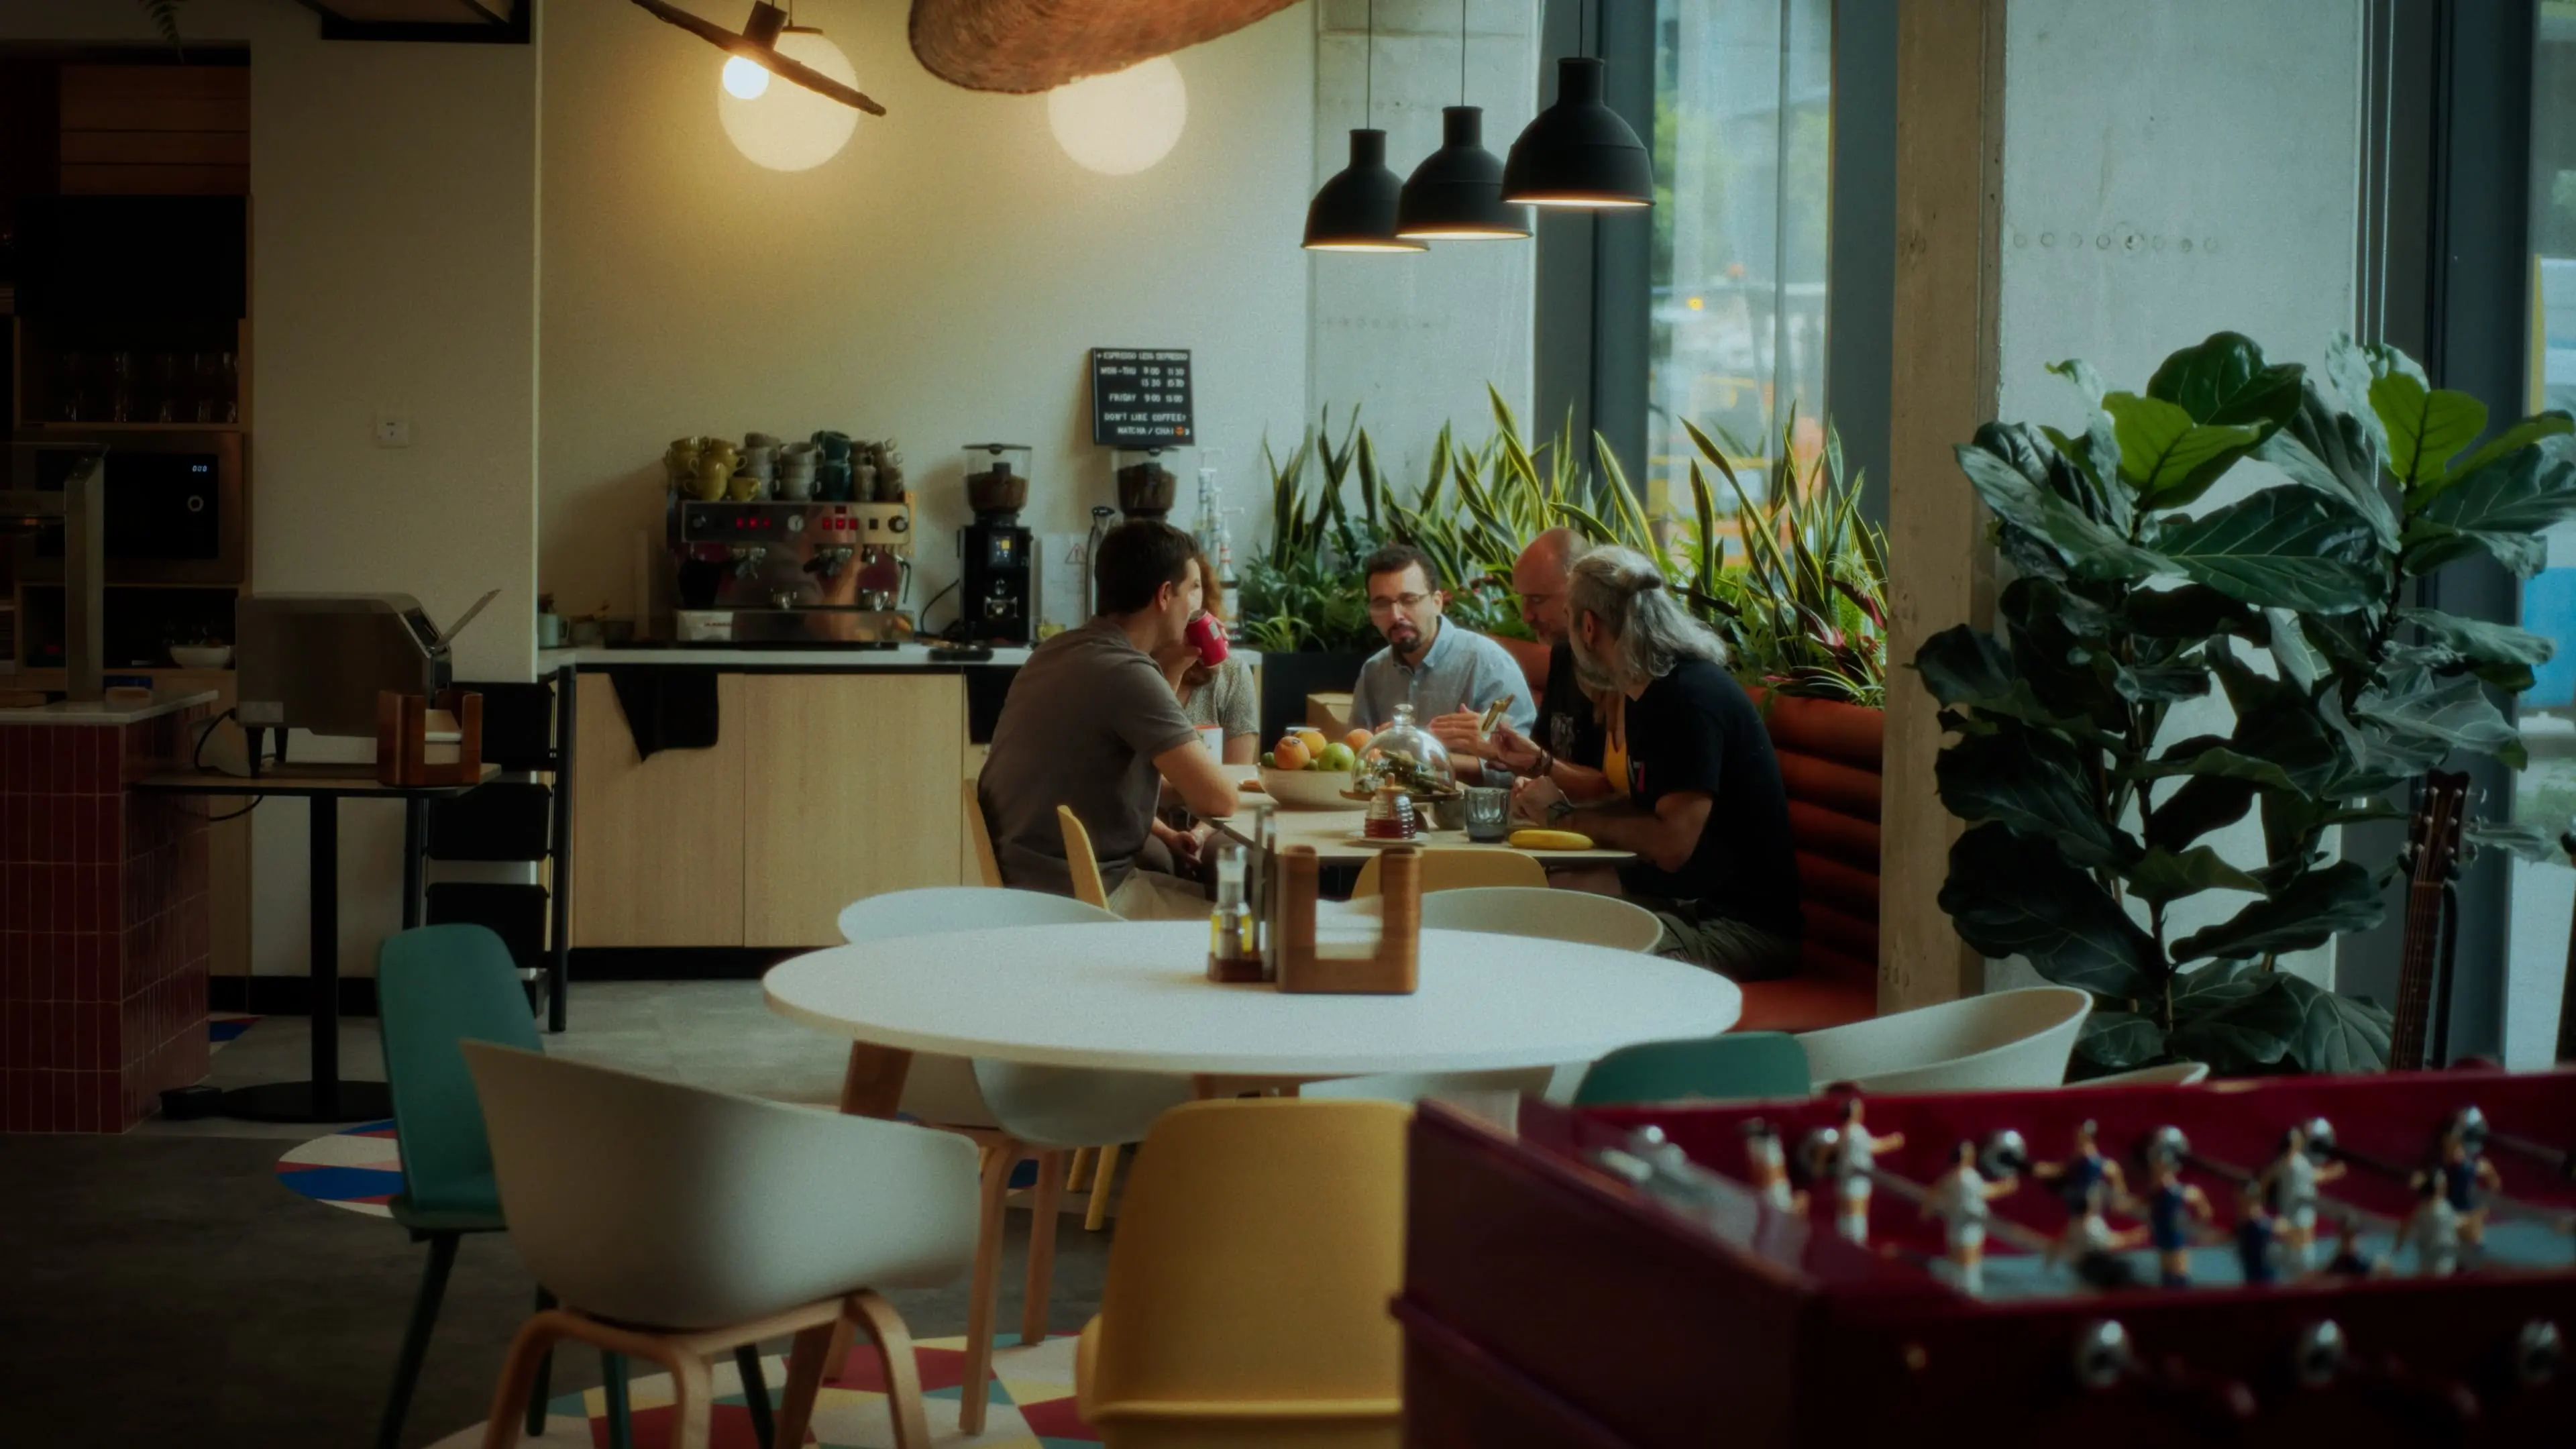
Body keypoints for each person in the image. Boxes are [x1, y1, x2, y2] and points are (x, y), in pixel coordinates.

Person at [1505, 547, 1803, 981]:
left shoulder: (1691, 699)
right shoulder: (1647, 687)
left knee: (1569, 963)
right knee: (1534, 902)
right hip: (1684, 900)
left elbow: (1671, 844)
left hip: (1740, 928)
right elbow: (1641, 812)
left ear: (1588, 628)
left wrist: (1564, 818)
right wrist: (1558, 812)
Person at [978, 520, 1238, 920]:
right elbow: (1220, 798)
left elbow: (1130, 764)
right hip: (1081, 897)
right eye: (1192, 591)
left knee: (1211, 894)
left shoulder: (1060, 650)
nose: (1197, 608)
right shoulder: (1126, 672)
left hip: (1033, 882)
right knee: (1252, 931)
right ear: (1165, 595)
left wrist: (1174, 667)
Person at [1430, 528, 1618, 799]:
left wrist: (1515, 755)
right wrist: (1496, 748)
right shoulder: (1564, 656)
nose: (1526, 615)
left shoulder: (1619, 674)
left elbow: (1611, 791)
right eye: (1523, 598)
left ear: (1580, 591)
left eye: (1538, 600)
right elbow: (1541, 763)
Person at [1345, 544, 1535, 774]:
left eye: (1409, 600)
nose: (1396, 615)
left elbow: (1521, 766)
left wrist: (1418, 755)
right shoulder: (1374, 671)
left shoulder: (1487, 663)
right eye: (1382, 604)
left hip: (1468, 808)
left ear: (1437, 602)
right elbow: (1358, 757)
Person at [1154, 549, 1258, 765]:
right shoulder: (1132, 668)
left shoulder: (1231, 673)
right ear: (1161, 597)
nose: (1188, 601)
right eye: (1177, 589)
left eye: (1195, 586)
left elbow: (1238, 776)